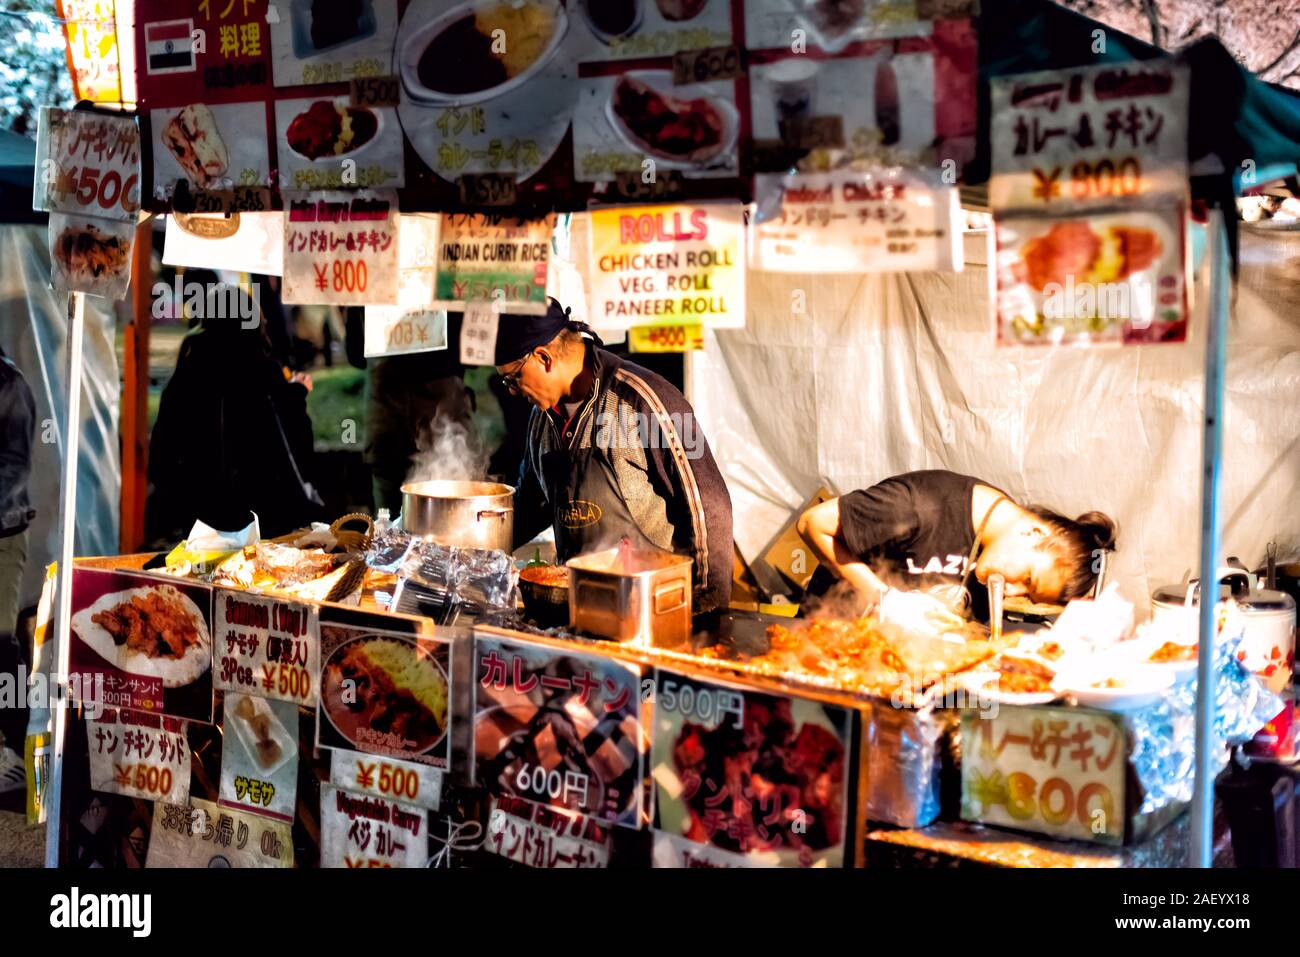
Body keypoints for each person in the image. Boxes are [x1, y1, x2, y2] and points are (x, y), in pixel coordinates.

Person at [496, 299, 733, 615]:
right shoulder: (541, 419)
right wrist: (469, 546)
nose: (511, 391)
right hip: (578, 610)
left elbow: (708, 508)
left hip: (654, 610)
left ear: (543, 358)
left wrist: (707, 609)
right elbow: (529, 506)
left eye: (512, 378)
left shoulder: (643, 399)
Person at [796, 470, 1116, 625]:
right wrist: (885, 597)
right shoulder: (922, 508)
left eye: (1027, 595)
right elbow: (812, 523)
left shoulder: (996, 547)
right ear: (1033, 532)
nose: (1012, 593)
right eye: (1028, 580)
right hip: (826, 642)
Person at [146, 283, 323, 543]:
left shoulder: (186, 377)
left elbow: (161, 464)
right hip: (265, 526)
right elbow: (299, 450)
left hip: (200, 527)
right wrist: (296, 394)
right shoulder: (264, 371)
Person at [0, 345, 36, 791]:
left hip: (4, 535)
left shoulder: (9, 384)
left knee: (2, 644)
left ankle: (23, 749)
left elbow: (15, 468)